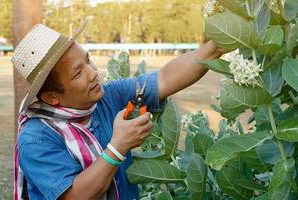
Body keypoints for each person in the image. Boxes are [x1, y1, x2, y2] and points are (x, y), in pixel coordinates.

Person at [13, 18, 223, 200]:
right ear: (51, 97)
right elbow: (75, 195)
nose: (93, 73)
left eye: (87, 60)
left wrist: (219, 45)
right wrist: (118, 147)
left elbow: (165, 79)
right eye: (78, 73)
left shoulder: (106, 96)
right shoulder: (36, 138)